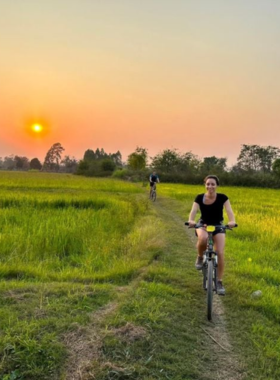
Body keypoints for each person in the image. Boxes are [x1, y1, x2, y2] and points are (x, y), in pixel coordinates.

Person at [187, 175, 236, 296]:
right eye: (208, 184)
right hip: (203, 224)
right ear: (205, 185)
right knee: (202, 238)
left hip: (218, 226)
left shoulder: (222, 197)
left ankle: (219, 282)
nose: (210, 186)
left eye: (213, 184)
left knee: (219, 252)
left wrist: (231, 221)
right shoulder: (199, 197)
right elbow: (194, 211)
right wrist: (191, 220)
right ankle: (199, 256)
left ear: (217, 185)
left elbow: (229, 210)